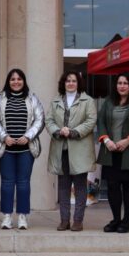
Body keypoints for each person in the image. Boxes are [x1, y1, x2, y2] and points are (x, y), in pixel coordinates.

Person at [0, 68, 45, 230]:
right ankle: (6, 216)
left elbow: (40, 120)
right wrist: (4, 137)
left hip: (26, 149)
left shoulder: (32, 98)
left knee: (23, 183)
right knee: (7, 183)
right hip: (5, 148)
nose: (16, 82)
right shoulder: (0, 99)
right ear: (8, 81)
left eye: (19, 79)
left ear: (24, 81)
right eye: (12, 79)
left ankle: (22, 216)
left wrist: (28, 136)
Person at [96, 72, 129, 234]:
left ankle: (126, 221)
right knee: (112, 186)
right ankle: (116, 219)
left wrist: (128, 140)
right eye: (119, 83)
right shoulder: (108, 102)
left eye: (125, 83)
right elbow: (101, 121)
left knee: (128, 186)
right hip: (110, 151)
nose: (122, 86)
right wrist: (106, 140)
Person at [46, 70, 97, 232]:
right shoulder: (56, 101)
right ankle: (64, 220)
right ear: (63, 83)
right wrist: (58, 131)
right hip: (61, 149)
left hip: (79, 149)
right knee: (63, 187)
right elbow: (49, 120)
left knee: (80, 187)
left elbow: (91, 120)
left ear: (78, 83)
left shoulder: (87, 100)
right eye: (68, 80)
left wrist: (73, 131)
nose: (70, 83)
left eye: (74, 81)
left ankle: (78, 221)